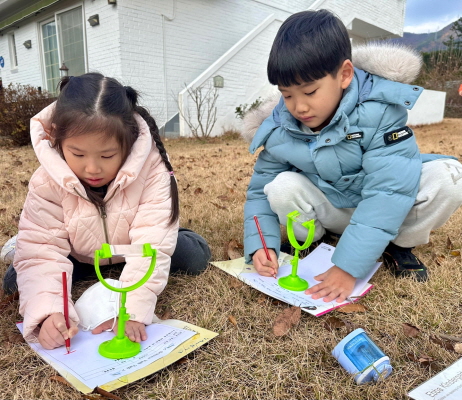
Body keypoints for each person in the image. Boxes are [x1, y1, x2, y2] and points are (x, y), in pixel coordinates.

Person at [243, 10, 462, 304]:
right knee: (280, 185)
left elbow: (388, 191)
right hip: (334, 208)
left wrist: (348, 267)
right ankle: (314, 239)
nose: (299, 106)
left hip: (386, 211)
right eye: (287, 94)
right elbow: (260, 190)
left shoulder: (381, 110)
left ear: (344, 74)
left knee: (449, 178)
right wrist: (262, 246)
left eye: (309, 91)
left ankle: (399, 245)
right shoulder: (280, 125)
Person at [1, 73, 211, 349]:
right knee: (16, 282)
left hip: (134, 246)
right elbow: (42, 253)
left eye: (107, 156)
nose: (92, 168)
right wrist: (51, 313)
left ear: (128, 142)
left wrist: (132, 310)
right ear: (58, 143)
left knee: (193, 257)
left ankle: (175, 233)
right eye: (78, 154)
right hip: (79, 250)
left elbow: (151, 243)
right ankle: (20, 244)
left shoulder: (151, 169)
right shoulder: (47, 180)